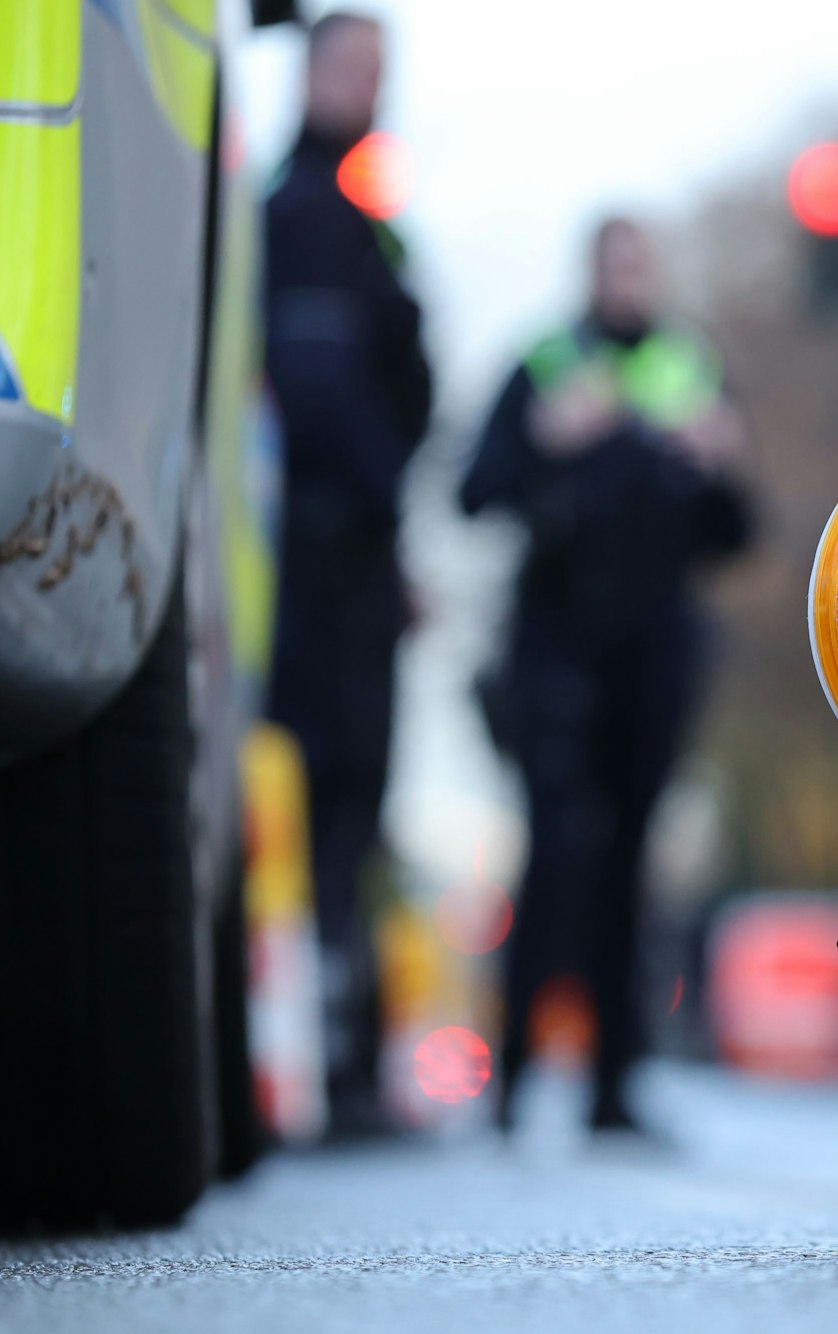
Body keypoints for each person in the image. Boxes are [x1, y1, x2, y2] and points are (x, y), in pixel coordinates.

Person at [460, 217, 752, 1133]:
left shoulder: (689, 371)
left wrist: (721, 463)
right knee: (554, 855)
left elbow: (736, 533)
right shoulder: (547, 365)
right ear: (589, 273)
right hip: (556, 649)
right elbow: (474, 491)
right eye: (614, 265)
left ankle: (613, 1088)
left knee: (630, 863)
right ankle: (512, 1079)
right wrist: (546, 440)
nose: (628, 280)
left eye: (640, 265)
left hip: (654, 655)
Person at [263, 12, 432, 1136]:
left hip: (349, 551)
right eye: (353, 68)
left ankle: (341, 1055)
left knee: (351, 803)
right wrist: (382, 505)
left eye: (379, 72)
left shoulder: (359, 216)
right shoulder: (303, 210)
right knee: (326, 794)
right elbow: (323, 391)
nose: (369, 89)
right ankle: (324, 1059)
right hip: (317, 557)